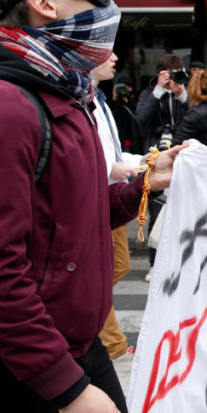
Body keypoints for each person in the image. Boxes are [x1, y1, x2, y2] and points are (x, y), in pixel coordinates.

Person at [0, 0, 184, 413]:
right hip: (6, 363)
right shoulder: (0, 106)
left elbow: (69, 217)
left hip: (71, 344)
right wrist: (63, 386)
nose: (111, 11)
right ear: (44, 2)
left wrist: (143, 186)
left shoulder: (63, 92)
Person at [91, 52, 144, 367]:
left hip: (112, 194)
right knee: (102, 272)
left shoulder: (97, 97)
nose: (114, 57)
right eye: (105, 51)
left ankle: (106, 336)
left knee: (117, 266)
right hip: (102, 194)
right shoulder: (82, 97)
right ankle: (112, 343)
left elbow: (108, 148)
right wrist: (113, 168)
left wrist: (139, 161)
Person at [135, 54, 188, 153]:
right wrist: (157, 92)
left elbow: (198, 120)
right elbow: (139, 120)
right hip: (154, 149)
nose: (173, 77)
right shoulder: (149, 93)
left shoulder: (186, 92)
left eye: (177, 73)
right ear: (160, 74)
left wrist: (183, 98)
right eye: (171, 73)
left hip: (182, 147)